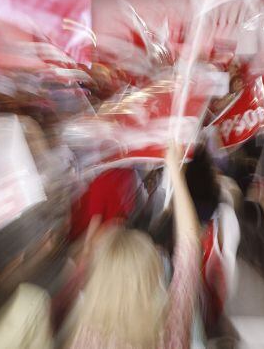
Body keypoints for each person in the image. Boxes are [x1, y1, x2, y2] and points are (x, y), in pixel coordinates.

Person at [61, 144, 201, 348]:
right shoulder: (170, 331)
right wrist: (176, 172)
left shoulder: (84, 337)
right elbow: (189, 250)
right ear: (151, 278)